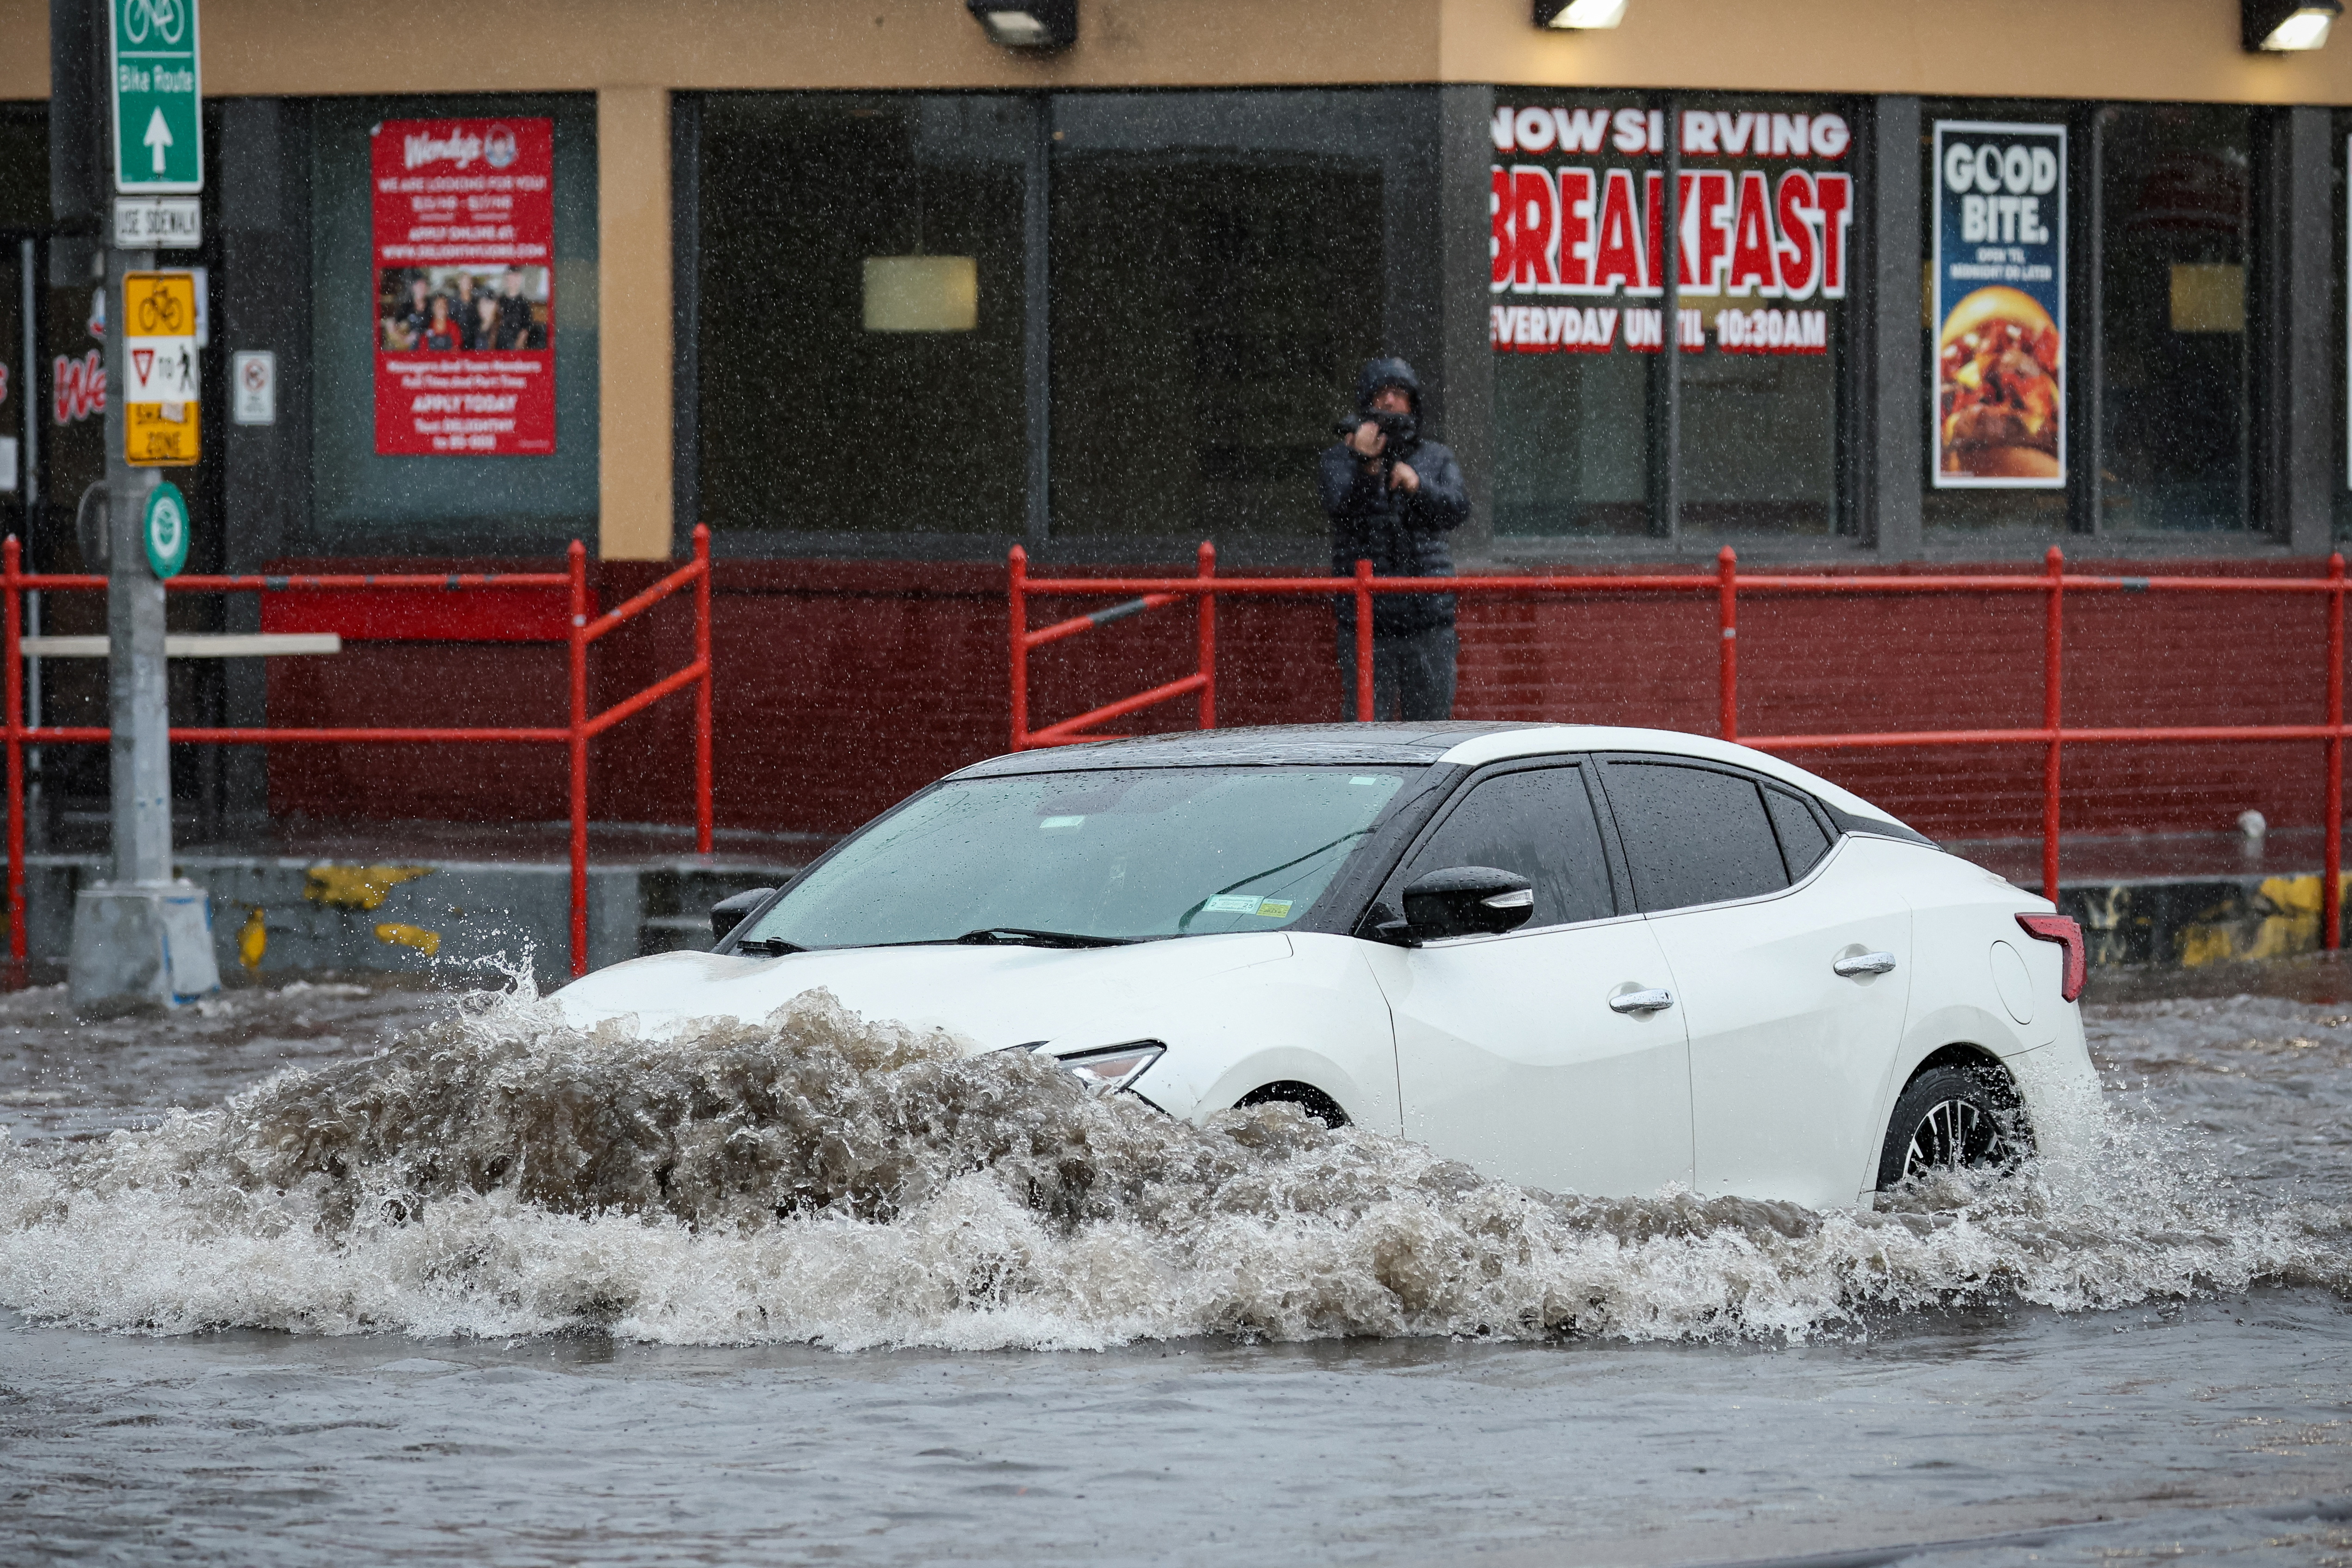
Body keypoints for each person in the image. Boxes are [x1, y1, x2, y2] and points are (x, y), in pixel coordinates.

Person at [1318, 357, 1471, 722]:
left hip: (1428, 622)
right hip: (1368, 626)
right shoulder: (1340, 457)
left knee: (1432, 734)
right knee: (1366, 737)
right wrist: (1367, 468)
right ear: (1366, 401)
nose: (1389, 402)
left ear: (1413, 403)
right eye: (1381, 394)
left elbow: (1458, 509)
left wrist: (1417, 485)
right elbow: (1341, 510)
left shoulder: (1435, 457)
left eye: (1398, 394)